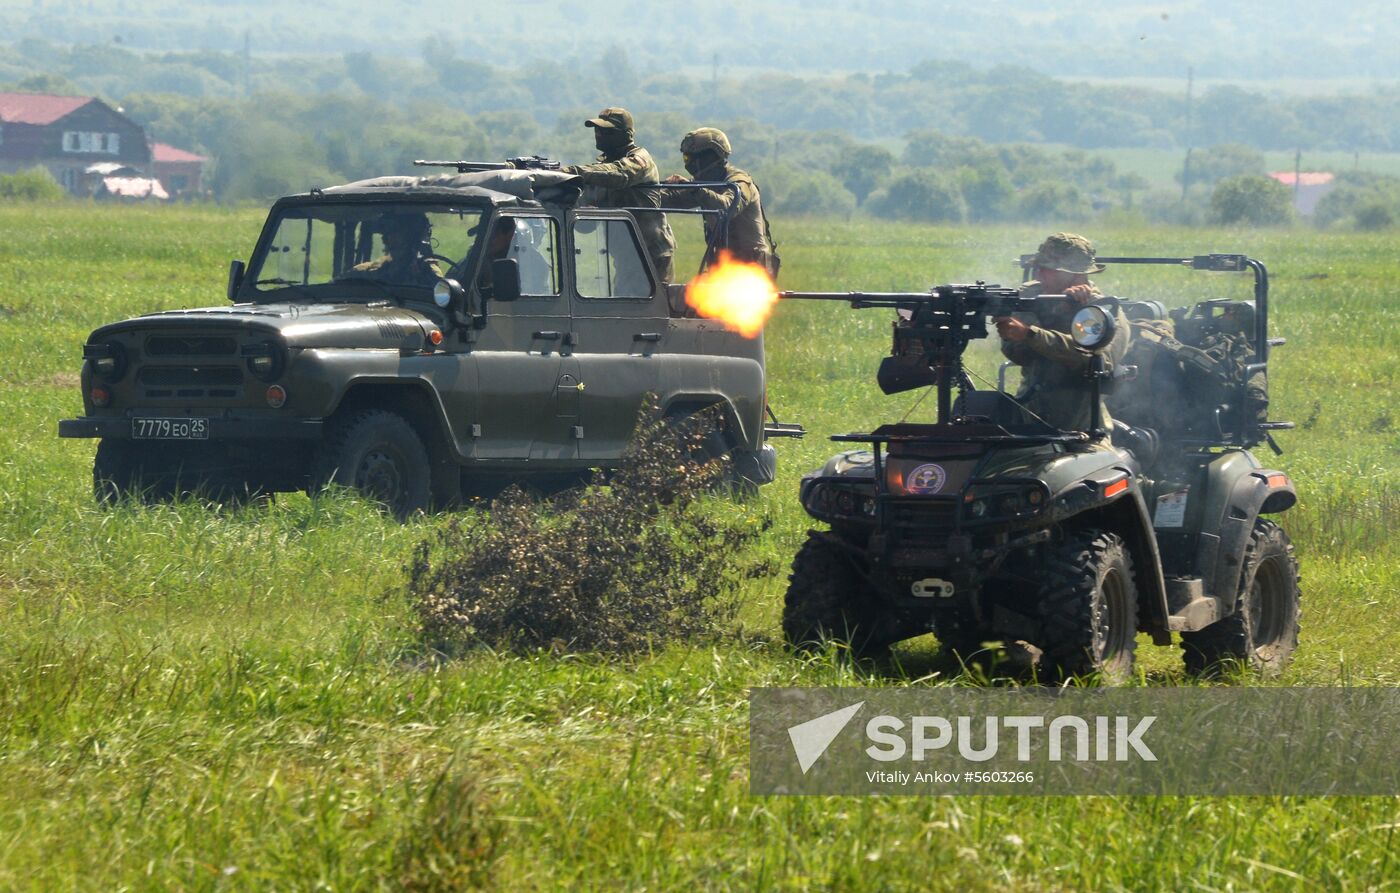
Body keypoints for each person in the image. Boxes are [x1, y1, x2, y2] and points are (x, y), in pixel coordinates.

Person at [994, 232, 1130, 435]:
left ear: (1076, 275)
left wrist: (1032, 334)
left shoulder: (1104, 310)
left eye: (1047, 270)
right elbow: (1016, 353)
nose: (1038, 275)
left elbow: (1098, 361)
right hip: (1026, 423)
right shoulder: (1032, 298)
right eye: (1038, 268)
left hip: (1083, 433)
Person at [559, 107, 676, 284]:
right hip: (625, 253)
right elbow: (584, 226)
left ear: (626, 135)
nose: (598, 134)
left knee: (650, 310)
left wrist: (571, 172)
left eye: (606, 131)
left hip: (650, 252)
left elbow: (619, 175)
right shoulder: (601, 168)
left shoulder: (639, 160)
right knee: (624, 307)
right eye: (597, 129)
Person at [660, 127, 778, 278]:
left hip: (750, 271)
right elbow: (671, 200)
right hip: (723, 268)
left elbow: (728, 206)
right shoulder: (704, 184)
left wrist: (695, 189)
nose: (689, 165)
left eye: (691, 159)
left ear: (709, 157)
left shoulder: (739, 182)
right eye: (686, 159)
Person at [348, 213, 442, 287]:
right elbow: (341, 284)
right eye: (388, 233)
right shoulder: (374, 269)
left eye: (396, 232)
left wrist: (420, 277)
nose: (390, 239)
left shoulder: (429, 273)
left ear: (412, 237)